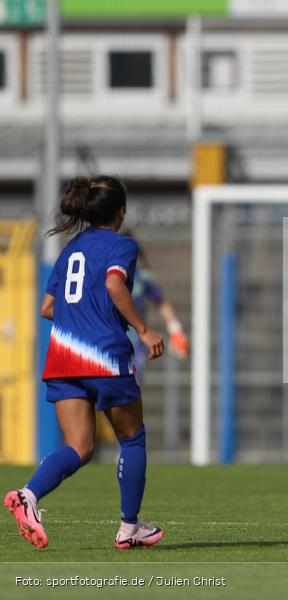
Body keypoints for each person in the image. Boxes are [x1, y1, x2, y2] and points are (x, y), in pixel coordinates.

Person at [4, 176, 166, 550]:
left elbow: (47, 307)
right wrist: (142, 329)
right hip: (105, 355)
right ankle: (129, 528)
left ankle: (28, 495)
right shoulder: (122, 245)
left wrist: (79, 318)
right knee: (132, 437)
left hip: (63, 358)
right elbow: (113, 285)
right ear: (120, 212)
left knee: (79, 446)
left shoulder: (70, 248)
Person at [120, 229, 189, 379]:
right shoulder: (102, 275)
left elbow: (161, 302)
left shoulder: (142, 277)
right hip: (108, 339)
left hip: (136, 342)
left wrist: (175, 329)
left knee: (132, 386)